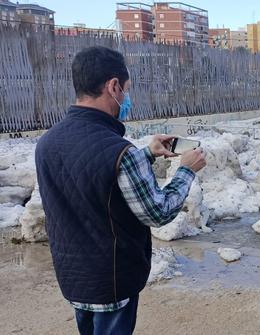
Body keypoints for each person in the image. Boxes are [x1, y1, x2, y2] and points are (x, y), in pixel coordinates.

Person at [35, 46, 207, 335]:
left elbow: (90, 177)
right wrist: (186, 170)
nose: (126, 98)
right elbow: (158, 211)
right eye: (125, 90)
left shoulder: (47, 142)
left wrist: (148, 154)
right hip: (112, 281)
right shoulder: (120, 153)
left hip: (74, 277)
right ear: (113, 87)